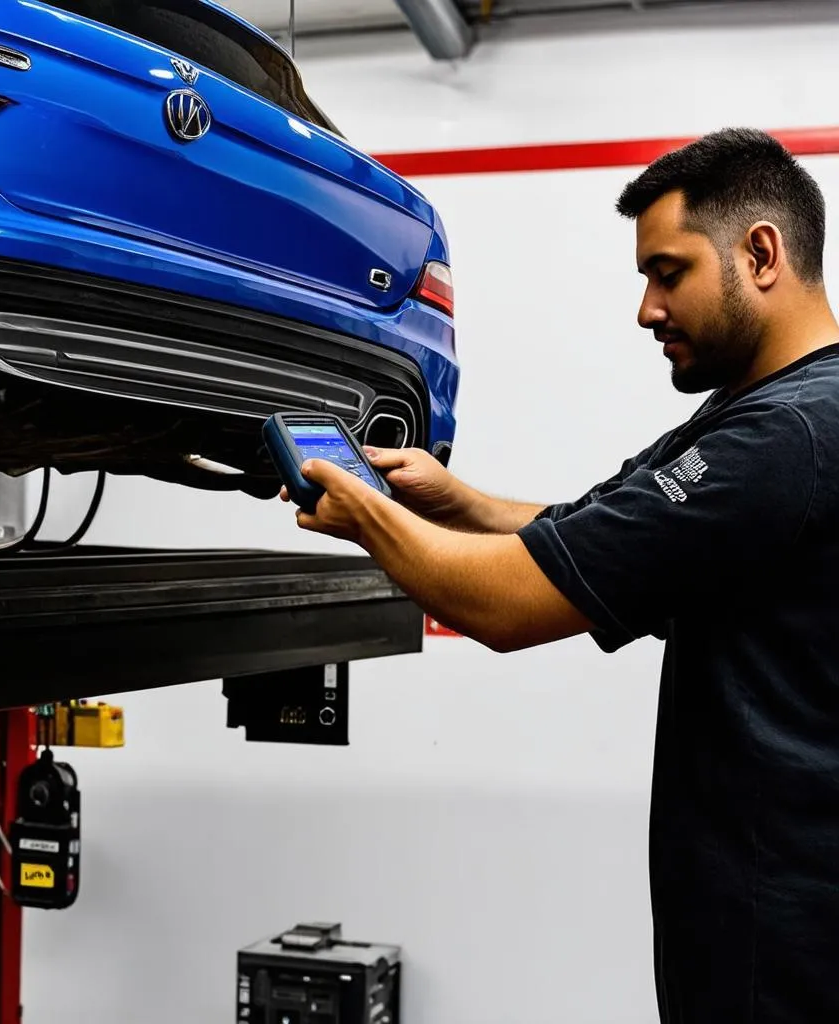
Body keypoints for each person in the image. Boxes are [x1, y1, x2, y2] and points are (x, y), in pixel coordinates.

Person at [281, 128, 839, 1023]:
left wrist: (365, 514)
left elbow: (505, 607)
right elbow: (601, 530)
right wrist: (451, 502)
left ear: (761, 253)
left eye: (668, 272)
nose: (647, 310)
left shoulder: (787, 440)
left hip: (786, 953)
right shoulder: (760, 412)